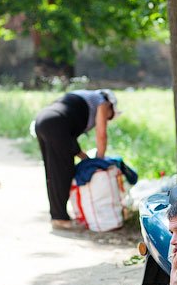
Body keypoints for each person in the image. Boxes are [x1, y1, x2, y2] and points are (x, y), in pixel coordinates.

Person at [33, 89, 118, 230]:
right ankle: (59, 218)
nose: (107, 119)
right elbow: (101, 135)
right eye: (110, 116)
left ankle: (57, 215)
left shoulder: (84, 96)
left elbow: (69, 141)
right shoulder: (102, 102)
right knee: (63, 171)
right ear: (110, 105)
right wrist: (100, 160)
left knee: (53, 170)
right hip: (56, 124)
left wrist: (84, 157)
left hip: (43, 120)